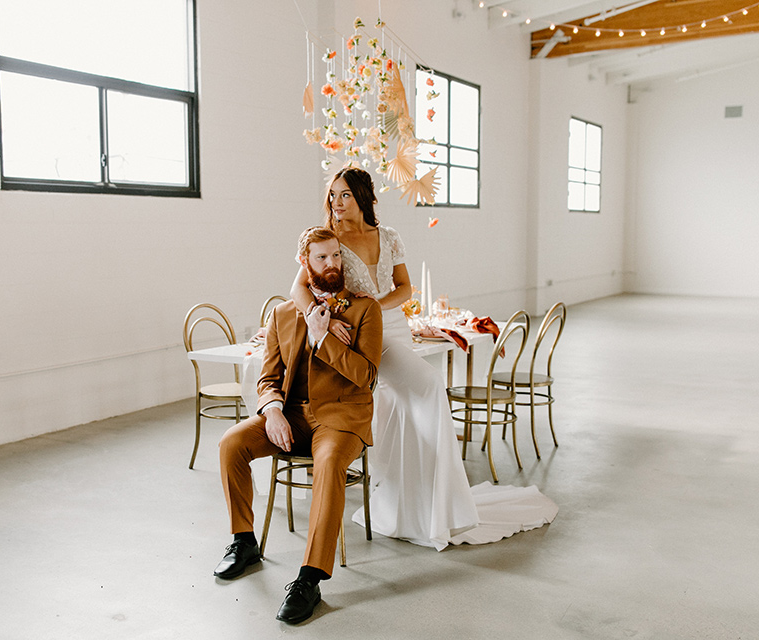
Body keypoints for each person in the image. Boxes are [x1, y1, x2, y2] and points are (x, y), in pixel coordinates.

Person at [290, 167, 558, 551]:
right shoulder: (330, 240)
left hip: (396, 330)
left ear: (363, 197)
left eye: (344, 194)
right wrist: (324, 322)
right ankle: (440, 505)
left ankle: (420, 506)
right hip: (366, 338)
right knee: (430, 387)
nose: (336, 202)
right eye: (332, 195)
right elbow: (297, 289)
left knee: (408, 410)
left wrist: (376, 308)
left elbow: (405, 288)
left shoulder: (389, 236)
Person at [214, 226, 382, 625]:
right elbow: (268, 376)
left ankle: (310, 578)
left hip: (341, 418)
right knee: (230, 443)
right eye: (321, 258)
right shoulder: (283, 314)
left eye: (336, 256)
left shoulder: (364, 310)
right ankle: (243, 542)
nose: (332, 264)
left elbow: (368, 376)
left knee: (326, 466)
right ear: (305, 264)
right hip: (290, 416)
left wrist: (325, 339)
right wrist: (271, 410)